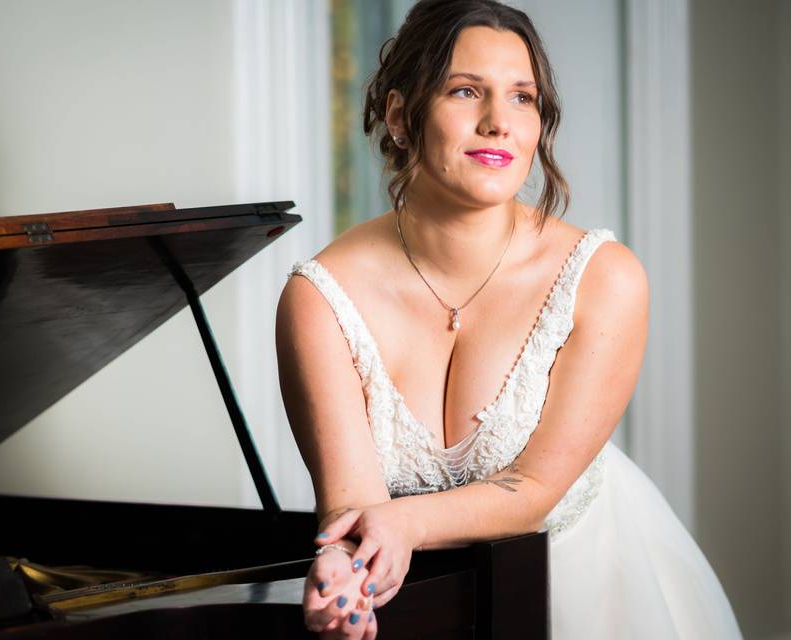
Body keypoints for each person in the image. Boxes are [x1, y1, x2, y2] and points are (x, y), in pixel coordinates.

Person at [275, 1, 744, 638]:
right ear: (398, 117)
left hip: (590, 592)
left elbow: (534, 491)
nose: (499, 123)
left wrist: (404, 525)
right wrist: (343, 570)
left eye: (522, 98)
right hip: (426, 605)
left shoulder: (603, 278)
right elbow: (352, 503)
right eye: (465, 91)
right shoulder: (321, 298)